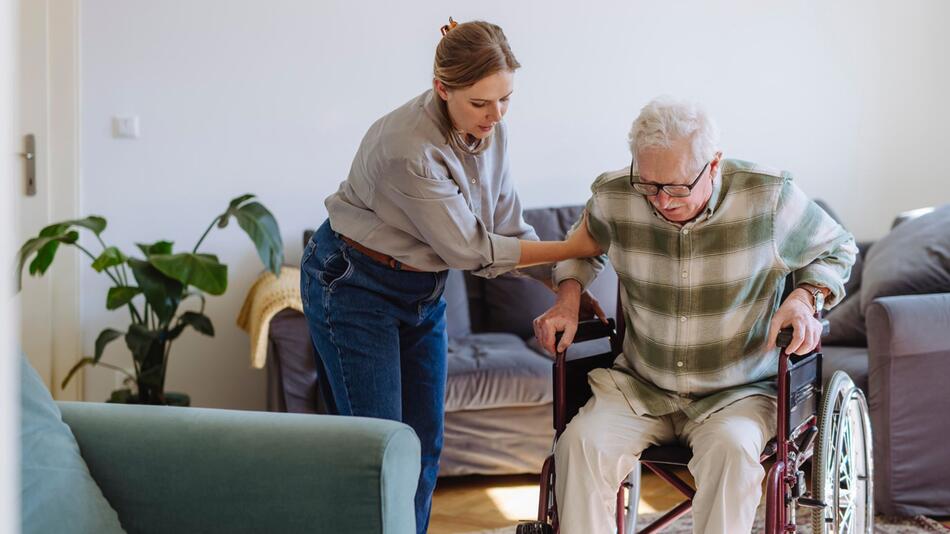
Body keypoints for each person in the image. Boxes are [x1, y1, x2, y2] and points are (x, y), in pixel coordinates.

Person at [300, 18, 602, 534]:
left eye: (505, 99)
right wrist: (575, 246)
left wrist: (564, 283)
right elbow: (474, 251)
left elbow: (508, 227)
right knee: (380, 452)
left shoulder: (492, 132)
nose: (495, 115)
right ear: (442, 89)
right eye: (480, 103)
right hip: (353, 286)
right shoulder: (409, 149)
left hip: (422, 290)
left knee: (423, 445)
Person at [532, 97, 857, 534]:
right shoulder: (616, 195)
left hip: (737, 392)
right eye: (649, 185)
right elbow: (578, 252)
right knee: (579, 446)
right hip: (641, 386)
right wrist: (568, 296)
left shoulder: (768, 197)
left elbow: (837, 248)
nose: (662, 201)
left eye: (678, 187)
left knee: (732, 452)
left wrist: (804, 297)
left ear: (715, 164)